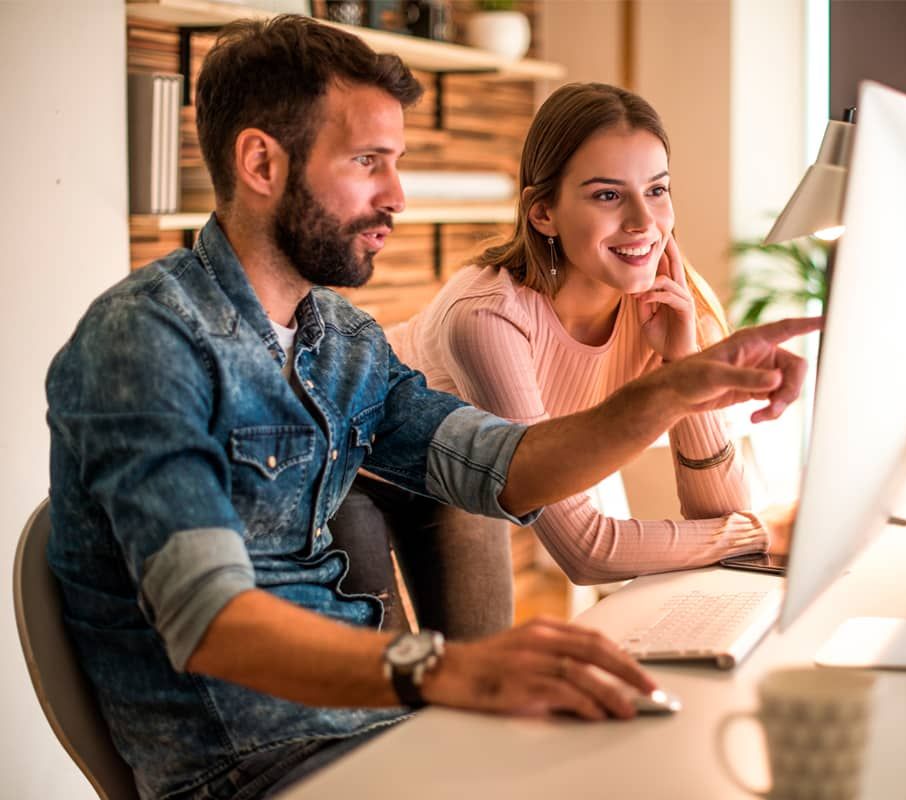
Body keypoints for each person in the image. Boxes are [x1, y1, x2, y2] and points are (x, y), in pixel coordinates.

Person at [45, 16, 817, 800]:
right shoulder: (145, 341)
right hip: (251, 768)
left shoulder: (342, 340)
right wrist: (447, 669)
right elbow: (209, 619)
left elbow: (506, 465)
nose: (398, 195)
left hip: (378, 733)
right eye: (367, 162)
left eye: (399, 162)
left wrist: (675, 386)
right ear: (260, 162)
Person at [338, 83, 786, 637]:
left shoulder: (662, 307)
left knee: (481, 670)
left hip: (461, 476)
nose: (644, 222)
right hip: (358, 462)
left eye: (657, 190)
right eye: (607, 195)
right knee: (391, 689)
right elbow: (585, 551)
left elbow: (718, 516)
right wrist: (762, 530)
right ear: (543, 212)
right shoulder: (488, 319)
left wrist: (680, 360)